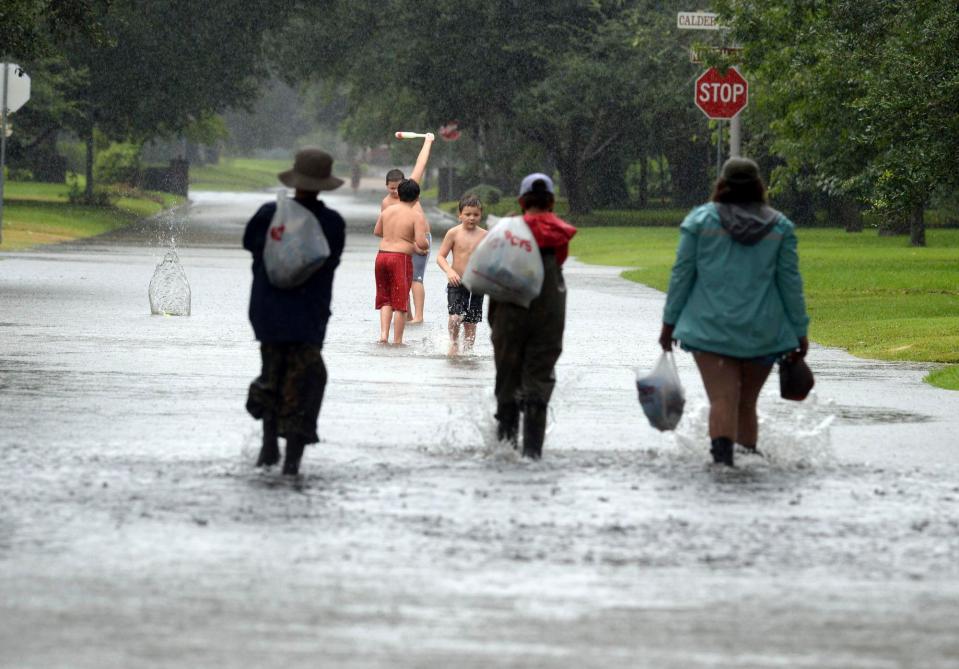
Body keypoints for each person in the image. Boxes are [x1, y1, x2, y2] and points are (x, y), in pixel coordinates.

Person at [658, 157, 810, 467]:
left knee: (722, 400)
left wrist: (669, 324)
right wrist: (799, 331)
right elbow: (790, 285)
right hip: (764, 332)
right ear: (758, 186)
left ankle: (722, 468)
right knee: (746, 403)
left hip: (709, 331)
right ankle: (749, 467)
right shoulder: (780, 227)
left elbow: (681, 276)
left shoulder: (700, 222)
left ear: (722, 184)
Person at [243, 148, 346, 476]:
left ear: (295, 178)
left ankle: (269, 441)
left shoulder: (268, 215)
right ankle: (292, 460)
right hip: (307, 316)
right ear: (323, 184)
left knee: (273, 371)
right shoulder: (330, 223)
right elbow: (330, 261)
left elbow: (251, 244)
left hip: (268, 313)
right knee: (307, 381)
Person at [489, 174, 577, 460]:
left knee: (507, 376)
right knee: (538, 377)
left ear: (521, 200)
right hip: (548, 306)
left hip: (509, 308)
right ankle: (533, 453)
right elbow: (559, 261)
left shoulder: (509, 230)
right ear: (551, 201)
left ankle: (505, 446)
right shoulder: (559, 233)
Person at [382, 134, 435, 324]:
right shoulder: (386, 203)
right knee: (401, 280)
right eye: (391, 188)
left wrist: (427, 142)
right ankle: (408, 314)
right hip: (402, 244)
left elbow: (420, 163)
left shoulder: (411, 189)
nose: (396, 192)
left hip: (421, 239)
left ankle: (418, 316)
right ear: (386, 187)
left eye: (398, 187)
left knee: (416, 278)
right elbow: (385, 228)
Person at [374, 178, 429, 345]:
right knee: (401, 301)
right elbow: (421, 242)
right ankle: (397, 340)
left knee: (385, 298)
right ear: (417, 197)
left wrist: (395, 236)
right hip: (400, 259)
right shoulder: (416, 215)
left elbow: (377, 232)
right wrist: (425, 245)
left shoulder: (387, 211)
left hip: (382, 256)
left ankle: (383, 335)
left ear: (398, 194)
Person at [436, 193, 487, 355]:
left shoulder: (485, 235)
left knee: (471, 322)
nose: (471, 218)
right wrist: (449, 271)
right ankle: (454, 343)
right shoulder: (453, 233)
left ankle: (469, 350)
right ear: (460, 215)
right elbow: (440, 256)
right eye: (467, 214)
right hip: (456, 282)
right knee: (455, 317)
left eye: (476, 215)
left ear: (481, 215)